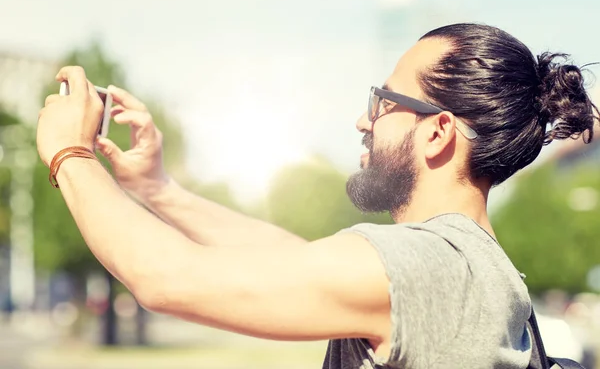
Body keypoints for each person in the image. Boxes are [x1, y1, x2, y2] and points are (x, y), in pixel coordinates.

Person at [36, 23, 598, 369]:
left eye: (382, 102)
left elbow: (168, 279)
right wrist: (156, 189)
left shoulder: (435, 265)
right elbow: (289, 260)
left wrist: (70, 154)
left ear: (437, 132)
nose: (362, 119)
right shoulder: (464, 265)